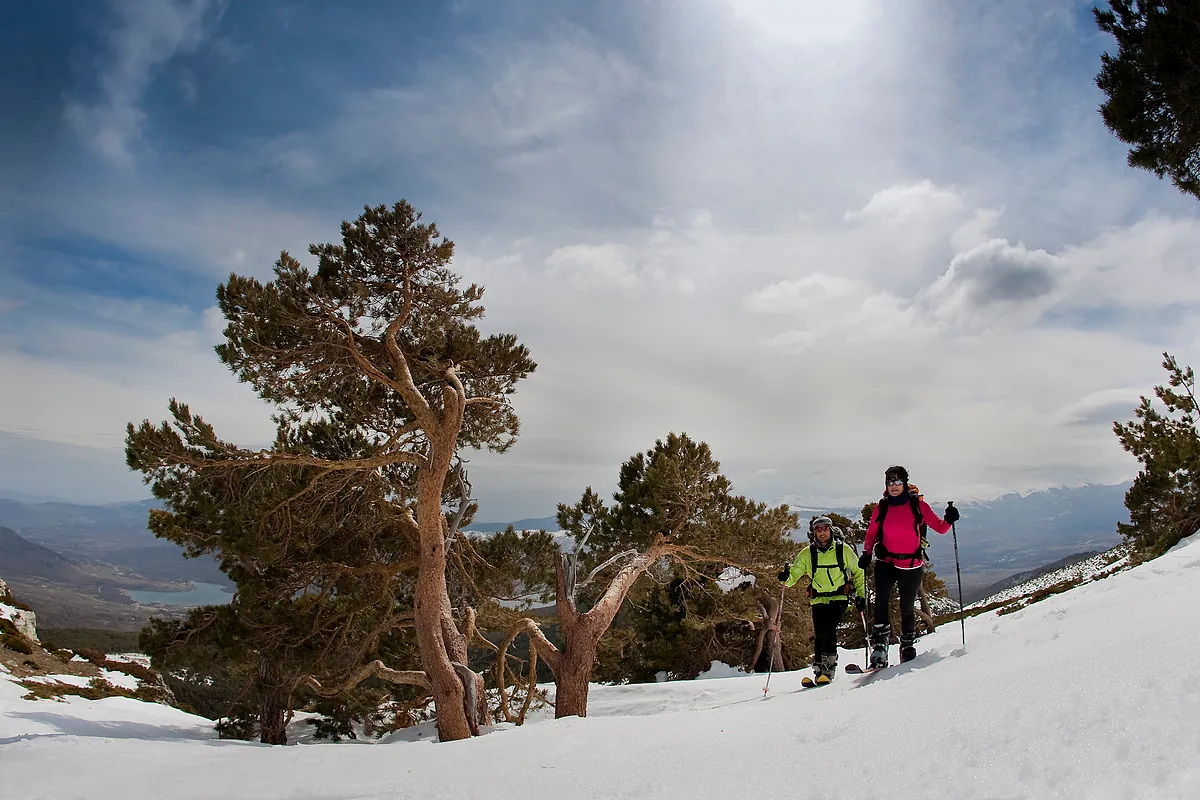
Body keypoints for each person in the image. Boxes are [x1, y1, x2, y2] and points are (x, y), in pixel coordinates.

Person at [859, 465, 959, 668]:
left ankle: (907, 645)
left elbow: (939, 528)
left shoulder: (918, 506)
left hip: (911, 564)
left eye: (897, 482)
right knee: (881, 601)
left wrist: (949, 519)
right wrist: (867, 553)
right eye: (890, 482)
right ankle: (880, 646)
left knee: (906, 607)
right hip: (886, 562)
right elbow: (871, 533)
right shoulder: (882, 507)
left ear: (904, 483)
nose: (893, 486)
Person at [778, 515, 866, 684]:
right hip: (818, 599)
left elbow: (859, 571)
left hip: (839, 596)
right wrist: (785, 579)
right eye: (819, 530)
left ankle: (829, 669)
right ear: (814, 533)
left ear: (831, 530)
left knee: (829, 628)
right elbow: (794, 575)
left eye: (825, 529)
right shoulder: (807, 554)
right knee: (820, 634)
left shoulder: (843, 550)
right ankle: (819, 671)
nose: (822, 533)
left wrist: (861, 596)